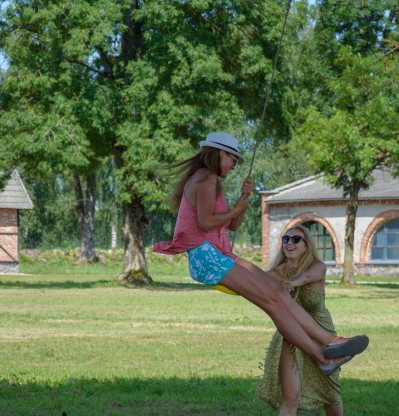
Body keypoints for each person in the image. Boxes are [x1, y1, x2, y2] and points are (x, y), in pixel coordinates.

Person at [152, 131, 369, 373]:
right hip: (208, 258)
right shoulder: (205, 179)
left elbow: (232, 225)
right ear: (221, 153)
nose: (234, 166)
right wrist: (235, 211)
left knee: (277, 291)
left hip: (219, 255)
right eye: (234, 160)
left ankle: (331, 340)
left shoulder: (210, 181)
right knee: (274, 302)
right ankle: (322, 357)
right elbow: (205, 222)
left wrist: (243, 200)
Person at [257, 224, 352, 416]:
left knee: (330, 394)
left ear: (307, 244)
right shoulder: (276, 272)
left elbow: (307, 279)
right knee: (290, 397)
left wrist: (291, 283)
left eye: (296, 239)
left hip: (322, 333)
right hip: (290, 336)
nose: (289, 243)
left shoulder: (317, 267)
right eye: (286, 239)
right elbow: (257, 285)